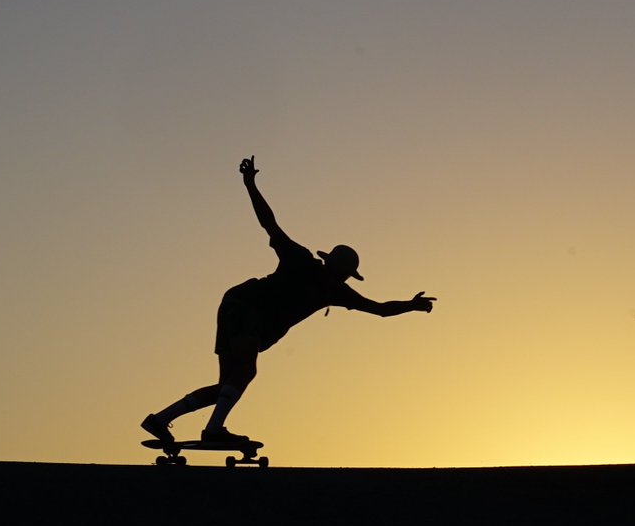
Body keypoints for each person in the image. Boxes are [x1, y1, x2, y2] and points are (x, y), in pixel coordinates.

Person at [141, 156, 436, 444]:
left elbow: (270, 225)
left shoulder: (318, 274)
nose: (345, 280)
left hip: (234, 304)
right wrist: (250, 185)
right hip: (247, 310)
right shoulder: (315, 272)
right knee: (244, 373)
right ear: (342, 271)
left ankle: (162, 419)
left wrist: (249, 184)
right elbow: (380, 309)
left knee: (228, 385)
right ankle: (214, 430)